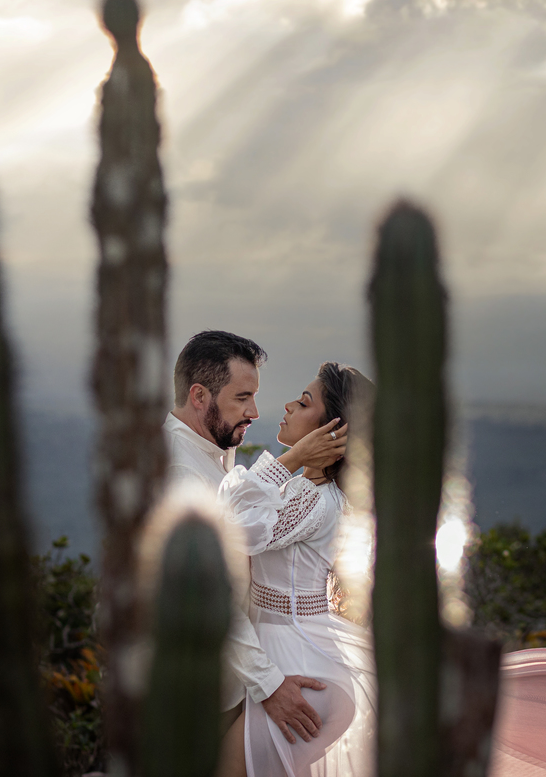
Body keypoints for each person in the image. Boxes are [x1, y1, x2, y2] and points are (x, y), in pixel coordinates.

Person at [163, 331, 346, 749]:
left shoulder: (210, 451)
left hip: (236, 679)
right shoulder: (182, 471)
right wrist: (269, 684)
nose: (255, 411)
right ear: (199, 396)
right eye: (242, 398)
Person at [216, 362, 377, 777]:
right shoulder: (307, 492)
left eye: (304, 402)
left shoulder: (312, 499)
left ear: (332, 432)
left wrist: (288, 460)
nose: (287, 405)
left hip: (302, 671)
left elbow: (228, 529)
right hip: (296, 659)